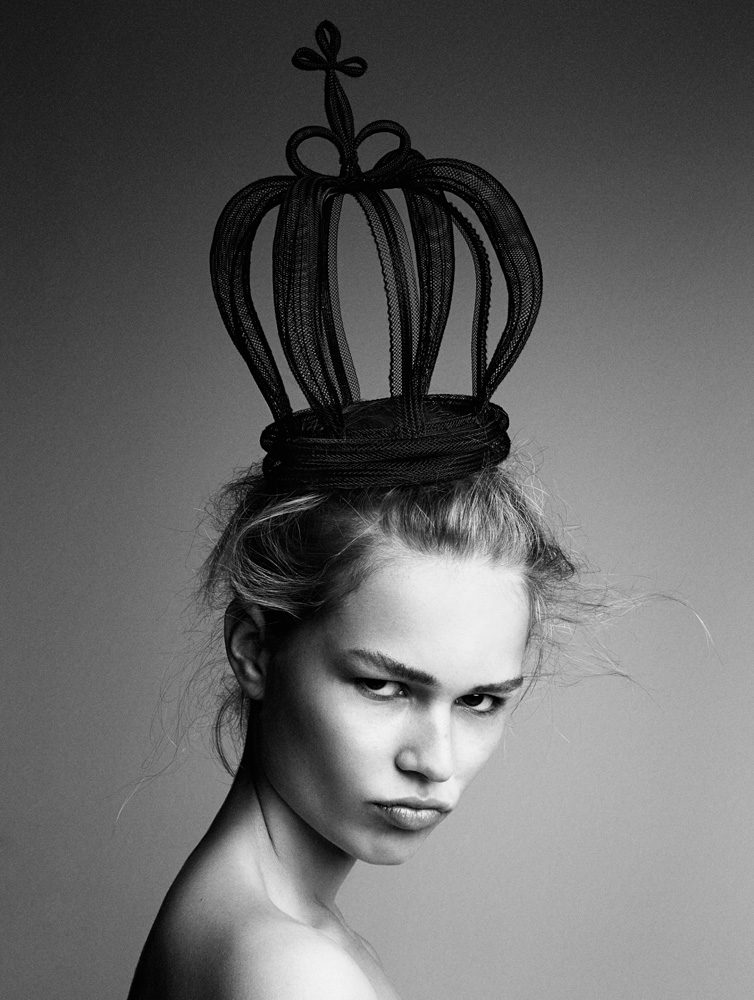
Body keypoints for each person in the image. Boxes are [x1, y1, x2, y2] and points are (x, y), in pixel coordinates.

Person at [128, 21, 592, 1000]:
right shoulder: (289, 971)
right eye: (383, 685)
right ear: (257, 645)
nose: (436, 761)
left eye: (481, 701)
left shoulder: (249, 920)